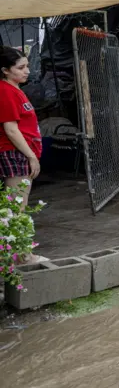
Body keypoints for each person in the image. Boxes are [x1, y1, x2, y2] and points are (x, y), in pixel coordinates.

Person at [0, 46, 45, 263]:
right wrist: (31, 156)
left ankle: (14, 254)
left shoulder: (15, 89)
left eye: (27, 66)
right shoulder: (5, 91)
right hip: (14, 153)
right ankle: (23, 256)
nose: (27, 71)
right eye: (21, 67)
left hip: (19, 152)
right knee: (16, 206)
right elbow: (10, 128)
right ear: (5, 70)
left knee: (16, 205)